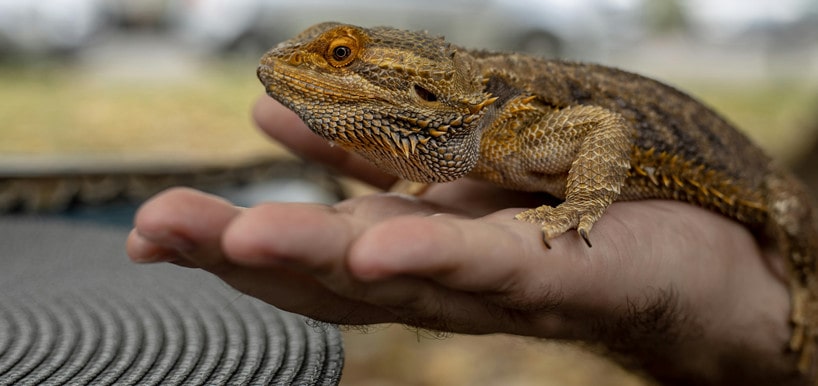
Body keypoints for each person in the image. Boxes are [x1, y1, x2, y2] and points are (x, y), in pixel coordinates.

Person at [127, 95, 806, 385]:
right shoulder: (479, 134)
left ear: (427, 85)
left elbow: (603, 127)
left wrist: (587, 199)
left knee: (791, 209)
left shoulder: (512, 127)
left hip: (767, 201)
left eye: (342, 56)